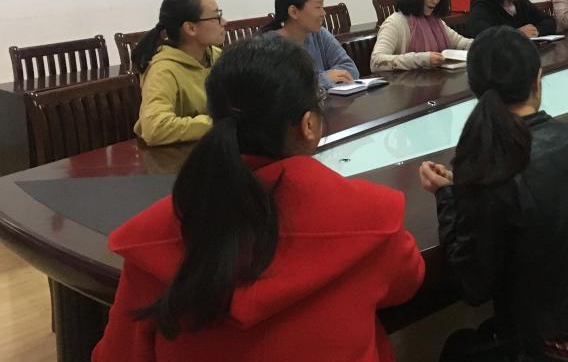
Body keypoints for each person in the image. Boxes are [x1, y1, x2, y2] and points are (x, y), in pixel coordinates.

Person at [94, 34, 424, 362]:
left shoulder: (157, 236)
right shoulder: (369, 215)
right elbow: (406, 282)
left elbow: (118, 354)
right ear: (309, 125)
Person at [419, 26, 568, 361]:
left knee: (459, 347)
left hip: (549, 347)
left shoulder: (487, 168)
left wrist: (448, 197)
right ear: (538, 79)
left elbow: (472, 286)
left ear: (475, 91)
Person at [132, 0, 225, 146]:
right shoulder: (163, 70)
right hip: (175, 155)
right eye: (216, 17)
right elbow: (155, 128)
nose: (224, 22)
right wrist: (218, 123)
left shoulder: (216, 56)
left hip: (211, 145)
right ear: (190, 28)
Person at [370, 0, 471, 71]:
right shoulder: (394, 23)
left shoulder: (435, 22)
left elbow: (460, 42)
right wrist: (421, 59)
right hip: (406, 82)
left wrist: (480, 44)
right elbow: (376, 61)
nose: (435, 1)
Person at [263, 0, 359, 87]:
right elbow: (283, 88)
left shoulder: (319, 34)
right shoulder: (268, 47)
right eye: (318, 7)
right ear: (294, 12)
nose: (323, 13)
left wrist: (320, 81)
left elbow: (351, 69)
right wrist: (323, 79)